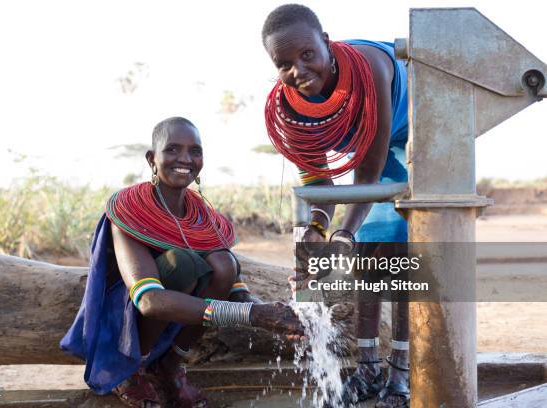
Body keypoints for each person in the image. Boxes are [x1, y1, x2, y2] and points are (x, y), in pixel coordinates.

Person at [60, 116, 303, 408]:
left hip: (176, 313)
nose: (185, 159)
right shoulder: (130, 209)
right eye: (172, 149)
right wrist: (251, 315)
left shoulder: (202, 217)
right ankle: (133, 369)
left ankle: (170, 366)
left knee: (224, 264)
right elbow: (149, 300)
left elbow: (234, 288)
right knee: (182, 264)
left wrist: (272, 313)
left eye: (195, 151)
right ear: (152, 159)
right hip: (126, 315)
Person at [261, 4, 410, 408]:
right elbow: (318, 181)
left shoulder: (371, 68)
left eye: (307, 54)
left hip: (421, 132)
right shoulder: (290, 109)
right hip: (375, 160)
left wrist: (342, 234)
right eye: (284, 63)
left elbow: (368, 177)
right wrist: (316, 230)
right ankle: (368, 368)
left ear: (326, 43)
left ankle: (401, 374)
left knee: (396, 251)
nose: (299, 70)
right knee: (367, 257)